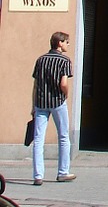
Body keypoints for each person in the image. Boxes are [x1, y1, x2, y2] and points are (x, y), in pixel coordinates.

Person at [31, 31, 75, 186]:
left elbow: (36, 85)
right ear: (59, 43)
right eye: (67, 42)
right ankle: (63, 172)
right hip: (57, 102)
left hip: (40, 103)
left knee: (38, 139)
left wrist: (33, 106)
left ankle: (38, 175)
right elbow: (63, 83)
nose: (68, 44)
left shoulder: (40, 60)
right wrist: (66, 94)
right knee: (63, 137)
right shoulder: (65, 61)